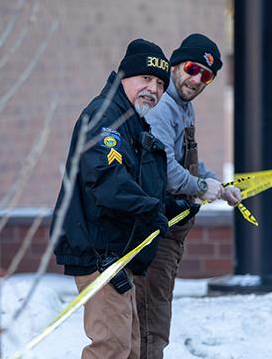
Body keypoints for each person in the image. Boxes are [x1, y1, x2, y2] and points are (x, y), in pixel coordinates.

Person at [52, 38, 184, 359]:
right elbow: (106, 178)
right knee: (111, 348)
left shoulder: (132, 123)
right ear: (124, 76)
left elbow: (139, 180)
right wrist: (151, 209)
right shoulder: (103, 118)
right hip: (99, 253)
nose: (152, 89)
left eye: (159, 83)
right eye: (145, 79)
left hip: (119, 255)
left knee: (130, 348)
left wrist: (167, 204)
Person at [134, 33, 242, 358]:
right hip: (153, 233)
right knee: (150, 327)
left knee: (154, 322)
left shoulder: (184, 107)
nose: (197, 79)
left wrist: (217, 185)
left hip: (169, 232)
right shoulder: (162, 107)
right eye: (192, 69)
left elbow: (187, 158)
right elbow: (164, 169)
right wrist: (199, 187)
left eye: (206, 76)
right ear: (176, 64)